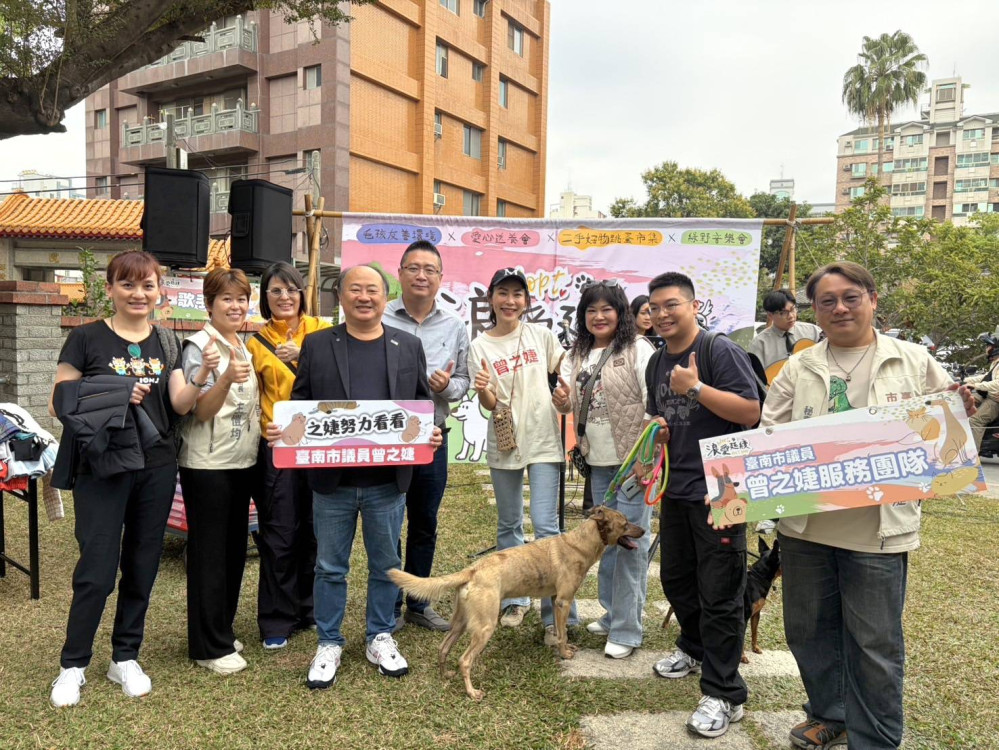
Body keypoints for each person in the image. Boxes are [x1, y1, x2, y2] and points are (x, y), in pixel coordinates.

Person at [758, 262, 974, 750]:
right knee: (808, 631)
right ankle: (829, 713)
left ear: (873, 299)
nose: (839, 307)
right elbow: (769, 435)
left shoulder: (913, 360)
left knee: (875, 643)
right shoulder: (800, 364)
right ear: (814, 310)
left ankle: (874, 739)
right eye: (827, 300)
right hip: (806, 527)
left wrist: (958, 412)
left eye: (850, 296)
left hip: (879, 530)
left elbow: (948, 436)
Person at [265, 264, 443, 689]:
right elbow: (302, 403)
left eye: (373, 290)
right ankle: (329, 641)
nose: (364, 297)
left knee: (386, 563)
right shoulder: (318, 344)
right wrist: (284, 430)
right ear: (341, 297)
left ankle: (380, 634)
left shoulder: (407, 345)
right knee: (329, 566)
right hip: (333, 483)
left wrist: (429, 432)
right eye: (355, 290)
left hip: (387, 482)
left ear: (386, 297)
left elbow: (421, 402)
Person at [47, 250, 206, 707]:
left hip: (156, 464)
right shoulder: (86, 338)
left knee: (142, 563)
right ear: (111, 288)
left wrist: (204, 377)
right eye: (128, 285)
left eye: (148, 286)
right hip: (103, 465)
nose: (139, 294)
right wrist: (116, 391)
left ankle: (125, 656)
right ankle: (73, 664)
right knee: (96, 568)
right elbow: (60, 401)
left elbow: (177, 405)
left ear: (160, 292)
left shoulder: (167, 341)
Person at [643, 271, 761, 739]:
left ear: (693, 306)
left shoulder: (718, 351)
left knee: (721, 592)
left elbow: (750, 411)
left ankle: (724, 692)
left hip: (726, 486)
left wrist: (695, 387)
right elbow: (662, 414)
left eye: (671, 304)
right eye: (654, 308)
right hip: (677, 486)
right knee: (676, 578)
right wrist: (657, 440)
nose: (662, 314)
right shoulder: (656, 362)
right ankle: (693, 648)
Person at [468, 268, 579, 641]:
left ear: (527, 302)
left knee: (547, 527)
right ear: (491, 299)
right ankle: (515, 600)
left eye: (518, 294)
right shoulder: (479, 345)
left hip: (545, 439)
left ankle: (557, 617)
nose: (510, 300)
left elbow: (562, 379)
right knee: (509, 524)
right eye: (503, 293)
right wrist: (484, 389)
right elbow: (489, 402)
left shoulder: (541, 335)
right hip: (505, 440)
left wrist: (563, 397)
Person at [552, 281, 655, 658]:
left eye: (606, 309)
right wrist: (561, 401)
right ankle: (613, 615)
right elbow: (566, 407)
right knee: (607, 539)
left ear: (621, 313)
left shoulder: (637, 349)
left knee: (630, 543)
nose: (598, 316)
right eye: (590, 310)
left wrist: (645, 456)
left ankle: (627, 630)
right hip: (596, 460)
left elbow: (652, 401)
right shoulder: (576, 353)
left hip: (632, 463)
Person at [178, 268, 261, 675]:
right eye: (226, 299)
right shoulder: (200, 347)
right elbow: (201, 410)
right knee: (210, 554)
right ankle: (207, 646)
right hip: (207, 464)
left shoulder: (240, 342)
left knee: (231, 551)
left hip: (240, 461)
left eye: (242, 299)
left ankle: (221, 630)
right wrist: (226, 376)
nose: (236, 306)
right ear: (209, 304)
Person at [385, 240, 470, 632]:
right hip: (385, 438)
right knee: (387, 520)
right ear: (400, 273)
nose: (421, 275)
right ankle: (387, 605)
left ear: (440, 278)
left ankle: (417, 605)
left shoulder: (454, 325)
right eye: (413, 268)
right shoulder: (380, 318)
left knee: (424, 521)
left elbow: (464, 381)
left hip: (432, 438)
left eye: (429, 270)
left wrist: (446, 385)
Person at [247, 262, 330, 650]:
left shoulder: (324, 333)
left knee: (317, 531)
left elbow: (339, 383)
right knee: (279, 533)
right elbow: (249, 399)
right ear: (265, 298)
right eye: (276, 291)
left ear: (302, 294)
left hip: (321, 446)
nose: (284, 298)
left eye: (291, 290)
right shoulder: (255, 342)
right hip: (278, 448)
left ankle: (308, 608)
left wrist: (305, 354)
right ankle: (276, 619)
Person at [748, 289, 822, 385]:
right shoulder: (759, 343)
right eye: (783, 313)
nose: (791, 316)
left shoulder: (814, 332)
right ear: (770, 315)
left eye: (792, 309)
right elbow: (755, 379)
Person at [966, 327, 999, 450]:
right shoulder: (995, 362)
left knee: (975, 421)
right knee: (962, 404)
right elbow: (985, 377)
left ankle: (972, 455)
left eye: (988, 346)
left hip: (995, 400)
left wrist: (976, 386)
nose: (987, 349)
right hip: (988, 395)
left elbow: (997, 384)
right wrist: (964, 381)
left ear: (995, 348)